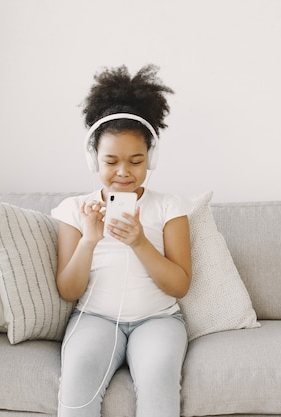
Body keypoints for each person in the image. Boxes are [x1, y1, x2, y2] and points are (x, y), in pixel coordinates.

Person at [51, 64, 192, 417]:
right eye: (111, 161)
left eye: (136, 161)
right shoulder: (74, 210)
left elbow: (179, 285)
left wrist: (140, 242)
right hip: (93, 318)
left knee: (159, 377)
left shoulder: (169, 207)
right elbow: (68, 291)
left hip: (158, 320)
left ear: (151, 159)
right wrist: (89, 241)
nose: (124, 172)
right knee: (78, 379)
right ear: (93, 159)